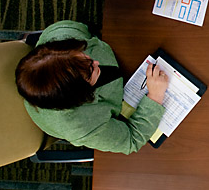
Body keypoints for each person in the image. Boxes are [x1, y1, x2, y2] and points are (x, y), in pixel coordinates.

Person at [16, 20, 168, 154]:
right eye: (89, 70)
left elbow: (83, 29)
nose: (95, 62)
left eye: (82, 54)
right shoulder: (82, 127)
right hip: (112, 100)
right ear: (79, 95)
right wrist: (155, 97)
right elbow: (132, 140)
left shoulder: (61, 33)